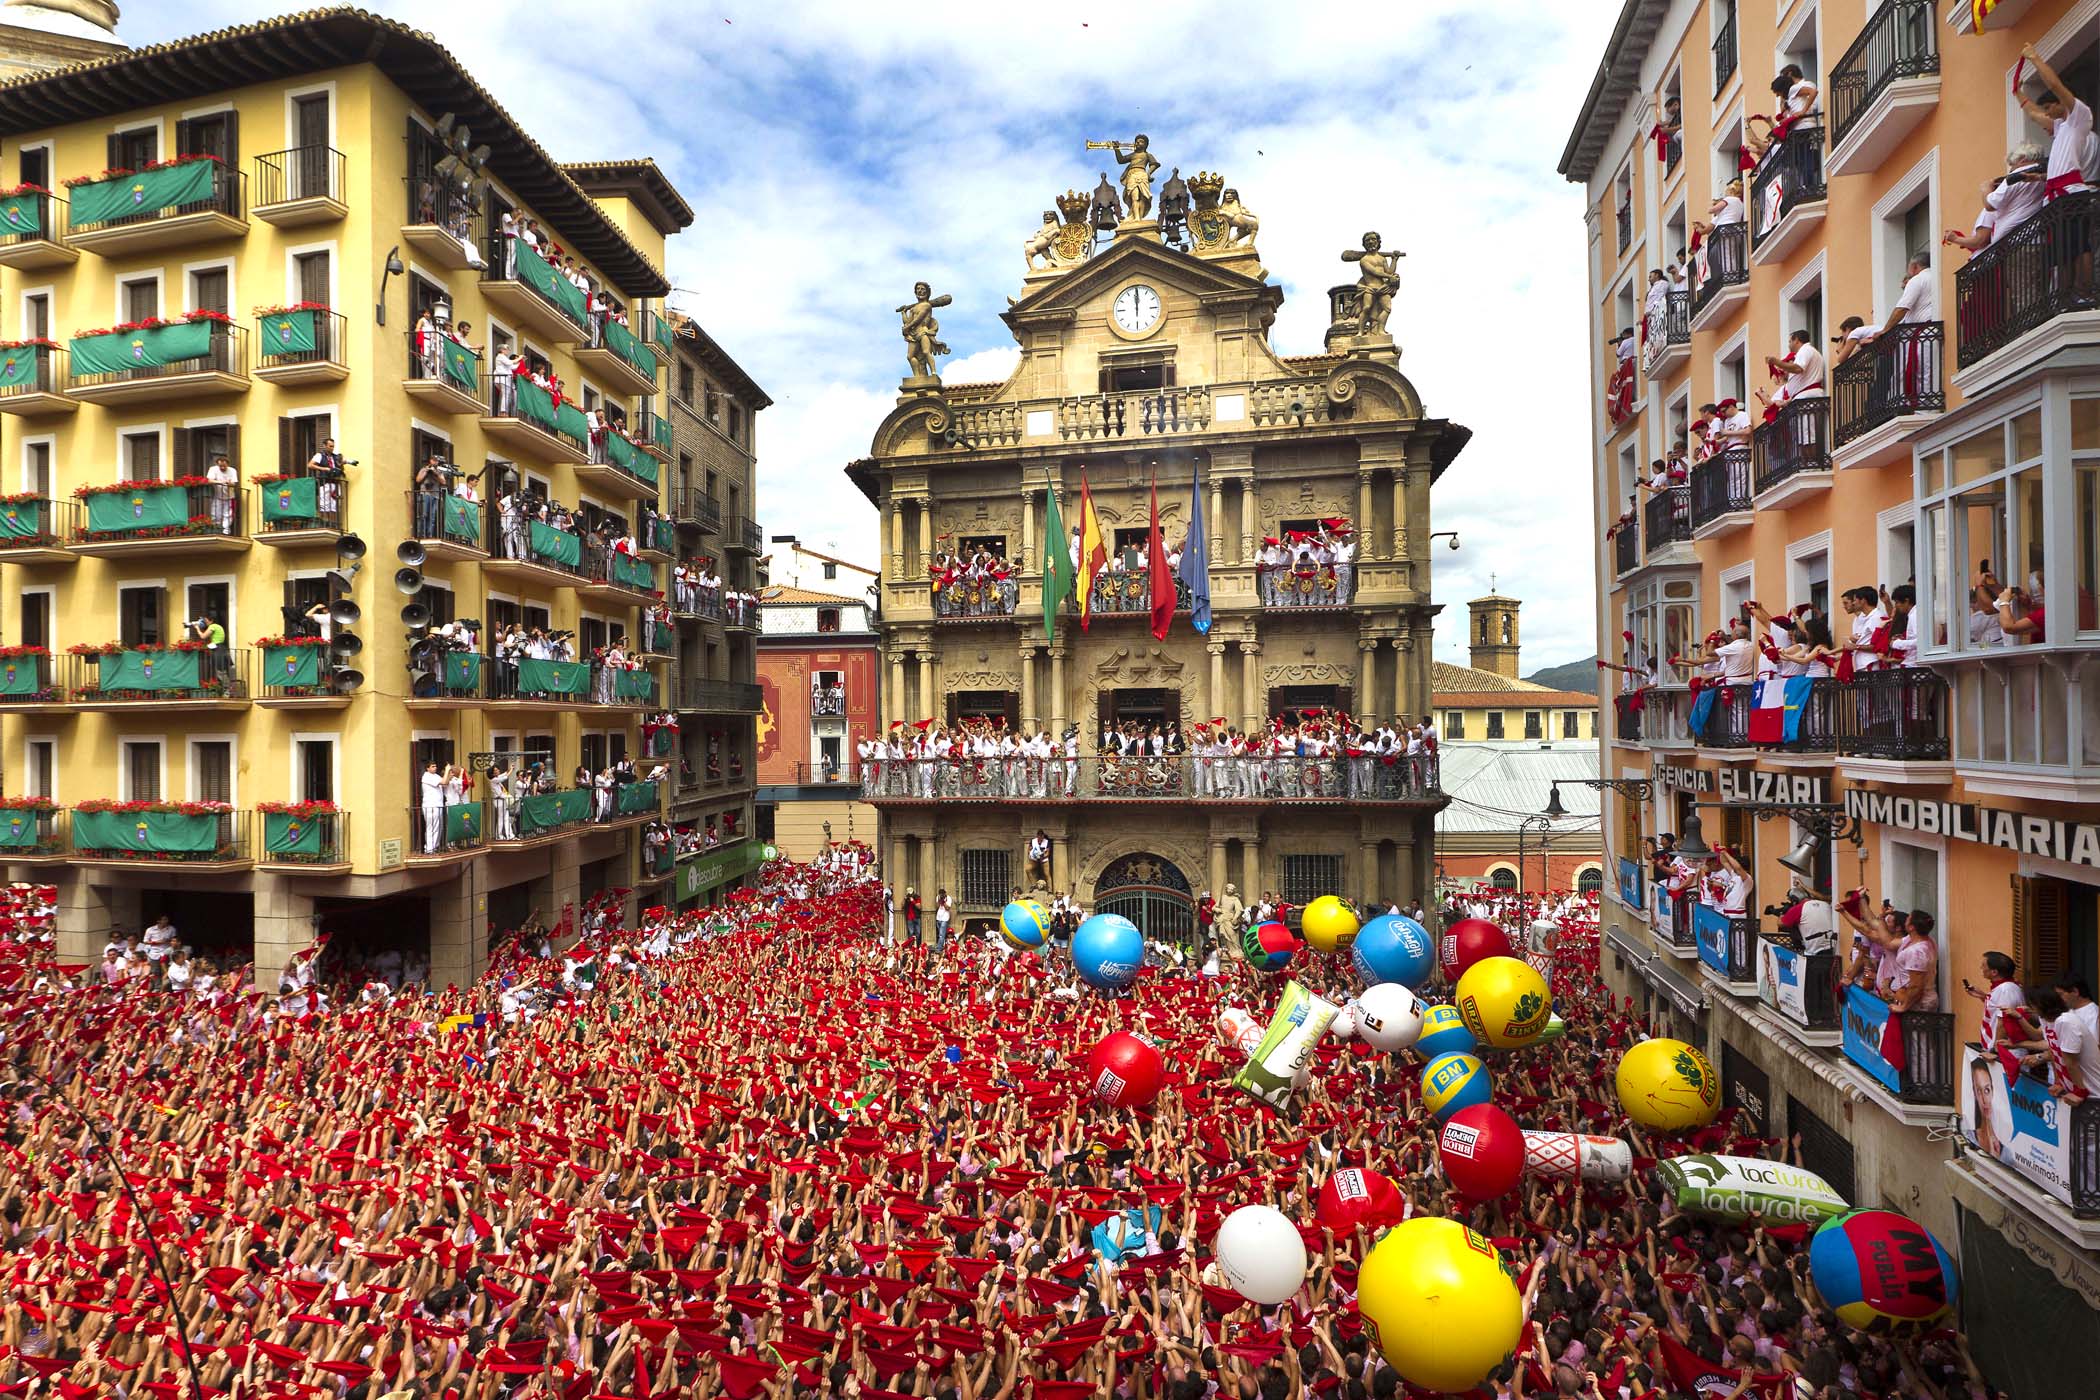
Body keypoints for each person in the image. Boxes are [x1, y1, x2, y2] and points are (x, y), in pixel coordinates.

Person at [206, 452, 238, 533]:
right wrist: (220, 482)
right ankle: (216, 530)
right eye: (220, 466)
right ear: (217, 464)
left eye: (224, 466)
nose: (222, 468)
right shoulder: (213, 469)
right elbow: (209, 480)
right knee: (215, 514)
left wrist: (228, 483)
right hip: (217, 496)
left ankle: (225, 531)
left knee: (228, 515)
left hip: (229, 496)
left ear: (227, 464)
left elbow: (234, 483)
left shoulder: (232, 470)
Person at [419, 761, 445, 854]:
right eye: (433, 766)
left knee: (438, 827)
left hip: (438, 805)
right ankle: (429, 849)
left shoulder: (436, 776)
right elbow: (444, 781)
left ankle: (435, 846)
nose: (435, 768)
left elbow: (445, 783)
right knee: (432, 827)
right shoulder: (426, 777)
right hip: (430, 805)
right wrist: (447, 770)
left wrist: (450, 774)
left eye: (436, 766)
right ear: (428, 768)